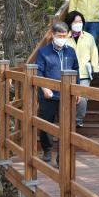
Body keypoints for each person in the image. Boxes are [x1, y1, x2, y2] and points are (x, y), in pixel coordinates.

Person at [34, 22, 80, 165]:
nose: (62, 38)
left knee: (65, 126)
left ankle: (62, 158)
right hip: (48, 95)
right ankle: (47, 149)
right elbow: (39, 72)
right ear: (53, 35)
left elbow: (76, 71)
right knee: (46, 124)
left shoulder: (71, 51)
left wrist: (77, 89)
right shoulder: (43, 52)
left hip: (66, 95)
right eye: (59, 36)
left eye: (64, 36)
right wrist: (44, 88)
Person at [65, 11, 99, 128]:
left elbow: (94, 53)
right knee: (67, 97)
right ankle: (67, 119)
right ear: (70, 23)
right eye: (75, 22)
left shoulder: (89, 37)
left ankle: (78, 119)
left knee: (83, 99)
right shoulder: (64, 37)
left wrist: (95, 67)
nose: (78, 24)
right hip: (67, 73)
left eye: (80, 21)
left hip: (84, 73)